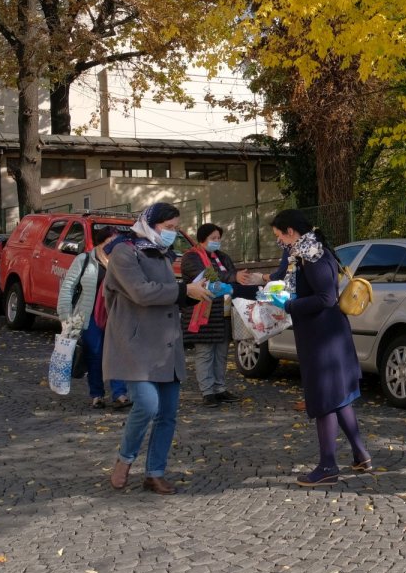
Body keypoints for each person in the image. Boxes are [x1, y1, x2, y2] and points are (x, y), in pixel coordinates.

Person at [104, 203, 215, 495]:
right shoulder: (124, 251)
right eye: (168, 228)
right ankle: (124, 459)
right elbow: (141, 291)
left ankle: (154, 473)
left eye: (175, 228)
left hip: (166, 345)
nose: (172, 233)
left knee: (167, 413)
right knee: (147, 405)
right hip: (136, 345)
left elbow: (169, 295)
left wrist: (194, 294)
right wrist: (182, 291)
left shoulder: (163, 253)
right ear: (150, 224)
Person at [269, 209, 370, 487]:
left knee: (324, 399)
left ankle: (328, 466)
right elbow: (281, 276)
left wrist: (288, 306)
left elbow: (326, 297)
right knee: (340, 397)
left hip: (324, 338)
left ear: (291, 232)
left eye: (279, 236)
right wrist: (256, 282)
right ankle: (361, 454)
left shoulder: (311, 253)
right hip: (323, 334)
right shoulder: (298, 252)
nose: (279, 241)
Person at [181, 224, 257, 406]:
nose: (217, 241)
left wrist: (239, 278)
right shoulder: (191, 257)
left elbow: (233, 274)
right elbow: (207, 277)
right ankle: (207, 392)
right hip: (202, 312)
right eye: (213, 238)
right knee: (205, 353)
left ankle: (220, 388)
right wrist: (233, 277)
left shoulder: (222, 257)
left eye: (218, 238)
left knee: (222, 353)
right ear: (202, 239)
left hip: (223, 312)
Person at [57, 226, 129, 410]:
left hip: (116, 315)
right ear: (100, 243)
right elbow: (68, 288)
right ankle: (97, 395)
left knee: (117, 354)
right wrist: (65, 316)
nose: (114, 246)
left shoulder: (121, 262)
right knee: (95, 355)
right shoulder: (85, 260)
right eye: (110, 242)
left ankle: (119, 393)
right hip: (89, 316)